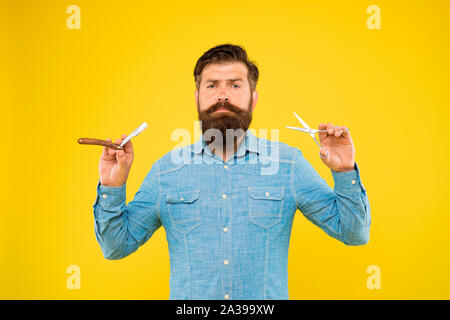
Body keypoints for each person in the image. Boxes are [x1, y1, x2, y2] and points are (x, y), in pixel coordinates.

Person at [93, 44, 371, 300]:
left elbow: (354, 233)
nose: (223, 94)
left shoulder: (288, 165)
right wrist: (112, 186)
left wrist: (345, 169)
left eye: (235, 85)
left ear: (253, 98)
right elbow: (116, 247)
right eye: (212, 85)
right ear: (197, 98)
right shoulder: (166, 171)